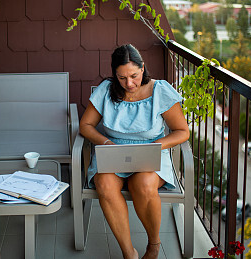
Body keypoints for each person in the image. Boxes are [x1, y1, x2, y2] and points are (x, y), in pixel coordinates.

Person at [79, 44, 189, 259]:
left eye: (134, 76)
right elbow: (85, 126)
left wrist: (156, 146)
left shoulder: (160, 90)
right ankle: (129, 253)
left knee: (144, 184)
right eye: (122, 78)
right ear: (114, 75)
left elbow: (182, 131)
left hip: (151, 152)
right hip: (114, 153)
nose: (129, 83)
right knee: (104, 183)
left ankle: (154, 245)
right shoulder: (106, 89)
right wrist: (105, 142)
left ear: (143, 68)